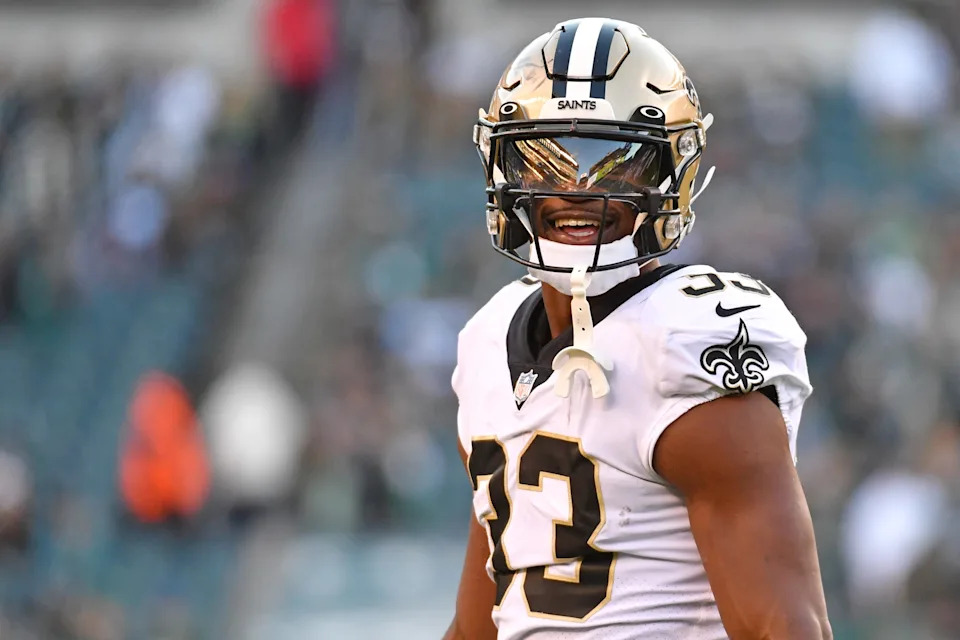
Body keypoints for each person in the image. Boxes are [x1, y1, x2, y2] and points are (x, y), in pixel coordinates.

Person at [445, 18, 832, 640]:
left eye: (616, 165)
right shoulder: (488, 342)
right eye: (545, 161)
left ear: (672, 176)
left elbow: (782, 627)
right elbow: (481, 622)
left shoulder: (684, 344)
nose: (576, 191)